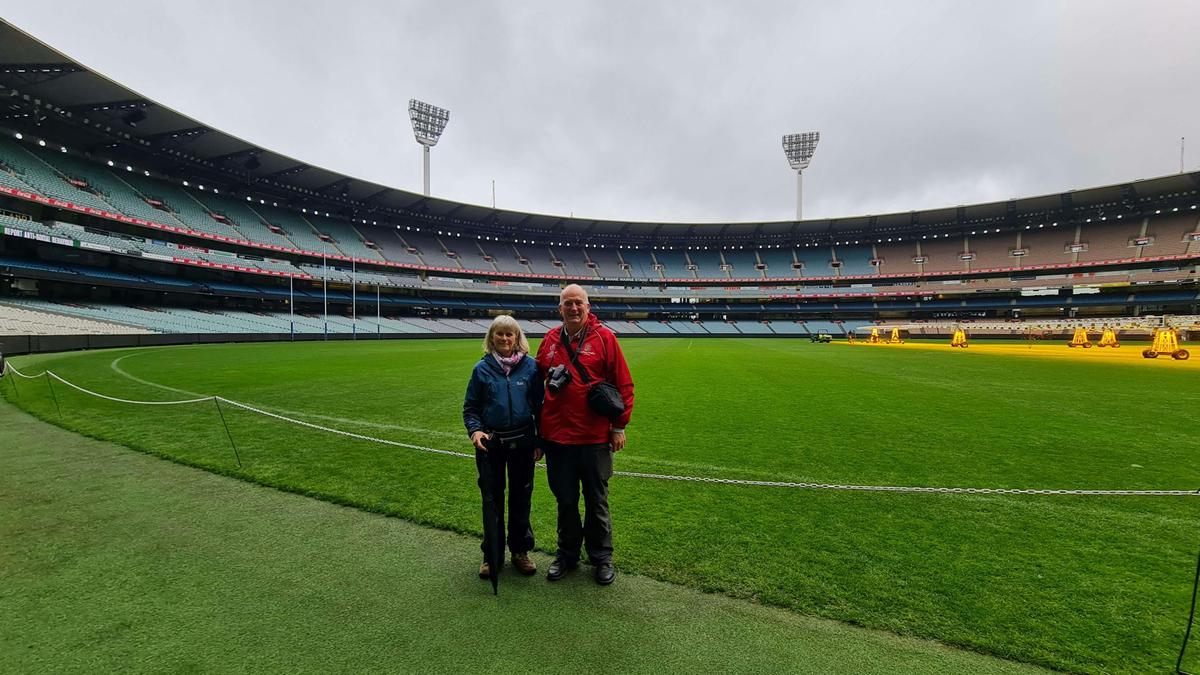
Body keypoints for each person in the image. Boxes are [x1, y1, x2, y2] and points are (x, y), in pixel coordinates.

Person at [537, 284, 634, 585]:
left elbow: (624, 386)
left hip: (594, 438)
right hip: (558, 439)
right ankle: (567, 554)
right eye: (568, 304)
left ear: (588, 307)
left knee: (596, 501)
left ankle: (601, 558)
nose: (574, 308)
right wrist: (539, 437)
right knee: (565, 501)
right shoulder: (550, 340)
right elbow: (535, 389)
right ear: (560, 309)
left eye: (579, 303)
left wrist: (618, 426)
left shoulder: (605, 338)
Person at [463, 315, 544, 579]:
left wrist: (539, 440)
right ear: (491, 338)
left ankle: (520, 551)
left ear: (518, 338)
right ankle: (492, 555)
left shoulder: (531, 368)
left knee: (521, 499)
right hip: (491, 444)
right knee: (492, 500)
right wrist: (475, 430)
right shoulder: (481, 369)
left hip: (522, 442)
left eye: (510, 334)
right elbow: (471, 407)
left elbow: (541, 408)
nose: (505, 339)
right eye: (500, 334)